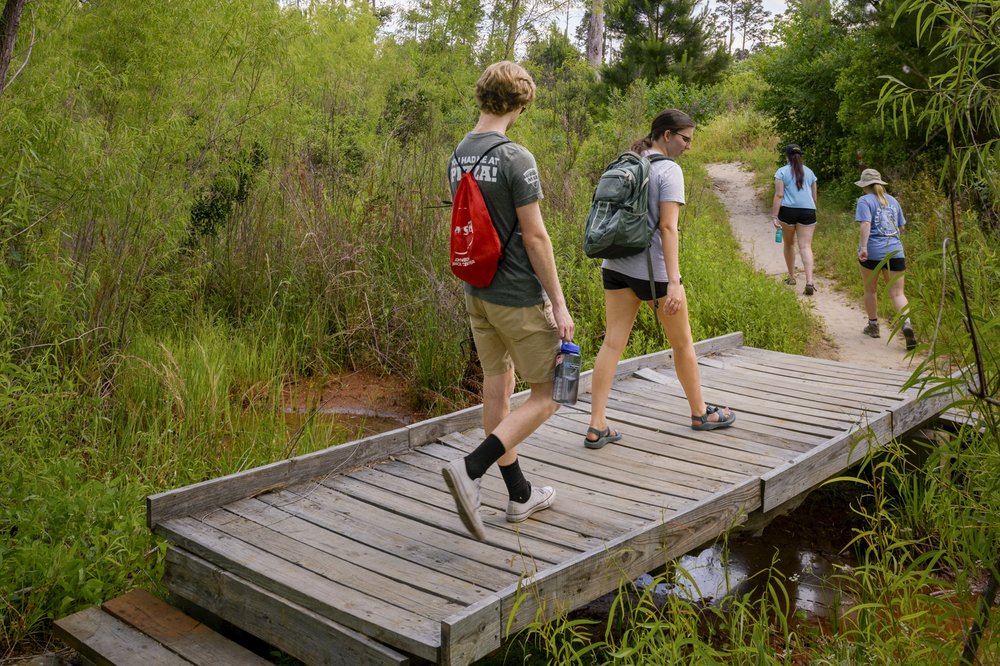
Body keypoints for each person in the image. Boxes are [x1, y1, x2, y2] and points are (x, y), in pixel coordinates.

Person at [442, 61, 575, 540]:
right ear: (520, 104)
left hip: (476, 293)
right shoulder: (517, 158)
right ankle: (470, 470)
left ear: (482, 98)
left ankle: (519, 495)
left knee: (497, 389)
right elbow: (535, 237)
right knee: (549, 395)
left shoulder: (458, 154)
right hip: (518, 296)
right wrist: (559, 304)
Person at [583, 109, 735, 450]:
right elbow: (668, 227)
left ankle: (596, 425)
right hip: (653, 274)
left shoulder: (629, 160)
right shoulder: (669, 170)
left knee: (611, 344)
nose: (688, 147)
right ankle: (699, 413)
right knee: (682, 344)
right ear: (667, 135)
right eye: (686, 139)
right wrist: (674, 282)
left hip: (615, 265)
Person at [854, 168, 917, 350]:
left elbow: (866, 223)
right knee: (898, 293)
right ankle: (907, 324)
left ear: (865, 186)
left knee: (870, 290)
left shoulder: (864, 201)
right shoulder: (893, 201)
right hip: (895, 252)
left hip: (872, 252)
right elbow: (902, 227)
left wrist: (864, 247)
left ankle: (873, 326)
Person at [770, 144, 819, 295]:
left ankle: (791, 277)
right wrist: (811, 210)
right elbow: (814, 197)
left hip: (788, 211)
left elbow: (779, 195)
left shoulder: (782, 172)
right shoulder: (810, 172)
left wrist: (774, 216)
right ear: (800, 156)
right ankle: (809, 281)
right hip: (808, 211)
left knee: (789, 244)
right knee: (806, 246)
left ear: (786, 156)